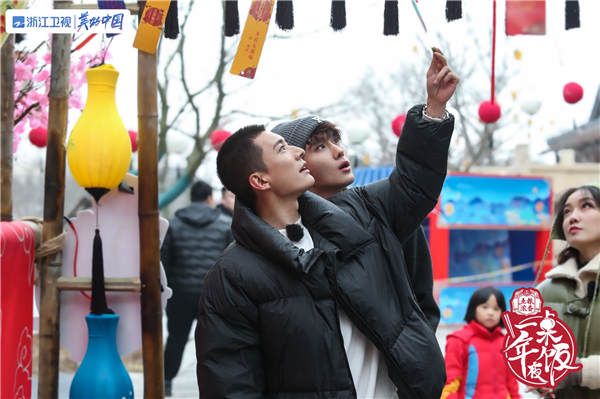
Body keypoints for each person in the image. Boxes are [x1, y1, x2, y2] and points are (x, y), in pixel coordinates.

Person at [196, 51, 456, 398]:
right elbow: (230, 383)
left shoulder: (364, 210)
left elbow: (413, 185)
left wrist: (433, 112)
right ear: (260, 180)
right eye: (285, 150)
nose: (300, 154)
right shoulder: (232, 275)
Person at [270, 48, 458, 331]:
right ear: (293, 160)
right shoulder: (271, 235)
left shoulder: (376, 207)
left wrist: (433, 110)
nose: (338, 151)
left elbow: (415, 181)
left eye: (336, 140)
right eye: (319, 146)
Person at [160, 180, 233, 396]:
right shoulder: (224, 225)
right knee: (213, 342)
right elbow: (229, 263)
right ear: (210, 198)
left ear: (192, 198)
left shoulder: (173, 224)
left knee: (176, 339)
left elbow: (164, 261)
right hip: (212, 296)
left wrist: (171, 287)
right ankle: (214, 385)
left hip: (180, 295)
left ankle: (166, 381)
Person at [536, 185, 600, 399]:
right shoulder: (545, 291)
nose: (573, 217)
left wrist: (575, 372)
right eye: (567, 211)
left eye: (586, 206)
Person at [441, 286, 521, 399]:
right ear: (473, 309)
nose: (490, 313)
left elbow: (512, 384)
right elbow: (450, 381)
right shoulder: (459, 340)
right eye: (485, 307)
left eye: (496, 309)